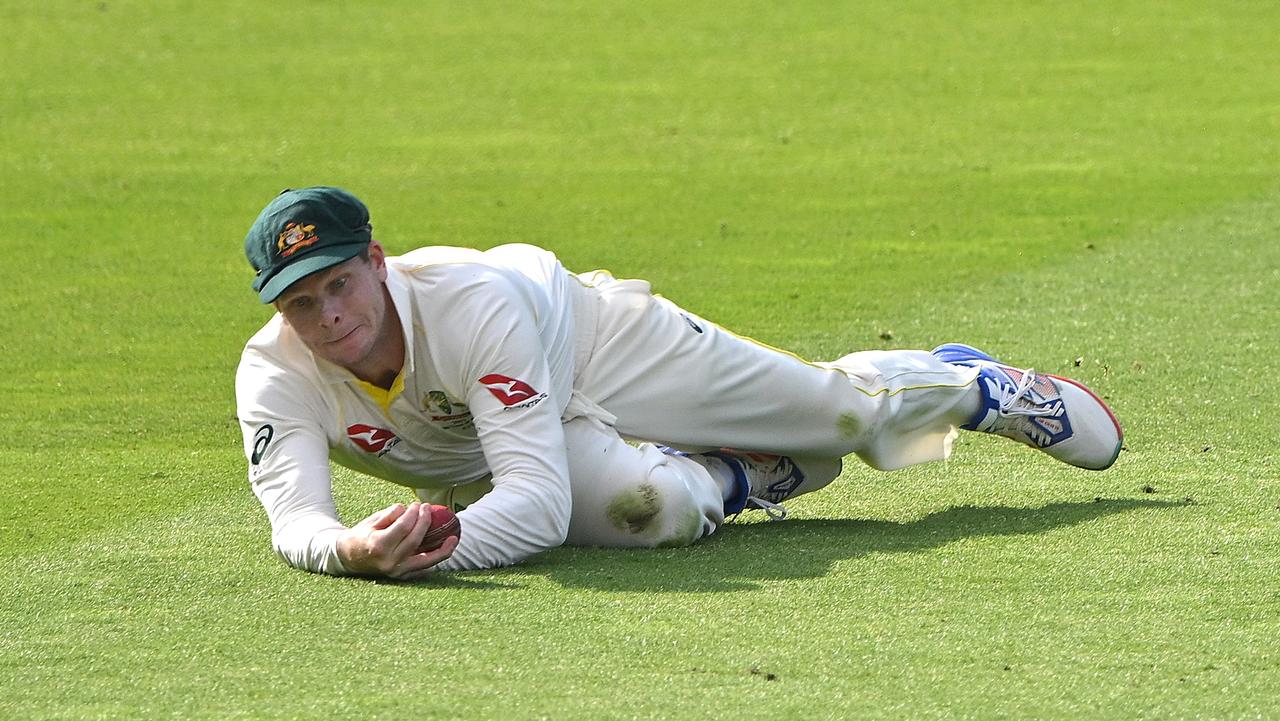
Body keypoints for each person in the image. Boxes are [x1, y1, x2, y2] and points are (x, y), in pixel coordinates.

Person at [235, 186, 1123, 580]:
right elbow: (296, 522)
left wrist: (422, 555)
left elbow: (537, 507)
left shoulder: (473, 304)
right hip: (487, 446)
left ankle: (968, 387)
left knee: (839, 415)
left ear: (378, 263)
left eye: (340, 285)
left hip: (589, 342)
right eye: (300, 304)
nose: (328, 320)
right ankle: (742, 475)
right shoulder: (274, 374)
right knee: (650, 513)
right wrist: (353, 550)